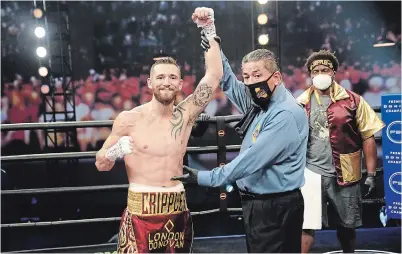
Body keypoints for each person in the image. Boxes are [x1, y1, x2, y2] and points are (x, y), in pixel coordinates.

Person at [172, 8, 309, 253]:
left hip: (274, 206)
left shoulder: (284, 114)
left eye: (257, 75)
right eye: (246, 76)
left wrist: (203, 178)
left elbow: (250, 160)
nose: (250, 82)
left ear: (276, 77)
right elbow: (226, 80)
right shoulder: (259, 101)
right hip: (262, 204)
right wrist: (211, 35)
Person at [94, 7, 223, 253]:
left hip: (176, 210)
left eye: (172, 77)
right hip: (140, 212)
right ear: (150, 83)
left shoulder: (186, 115)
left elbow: (214, 74)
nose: (167, 82)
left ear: (180, 84)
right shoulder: (129, 119)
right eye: (161, 77)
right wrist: (112, 153)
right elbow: (101, 164)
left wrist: (209, 29)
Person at [296, 50, 385, 253]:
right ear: (310, 74)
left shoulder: (353, 101)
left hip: (346, 172)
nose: (320, 73)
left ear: (334, 72)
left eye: (324, 69)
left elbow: (368, 136)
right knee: (306, 225)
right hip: (310, 173)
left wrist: (371, 174)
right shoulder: (300, 103)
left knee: (347, 227)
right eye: (316, 70)